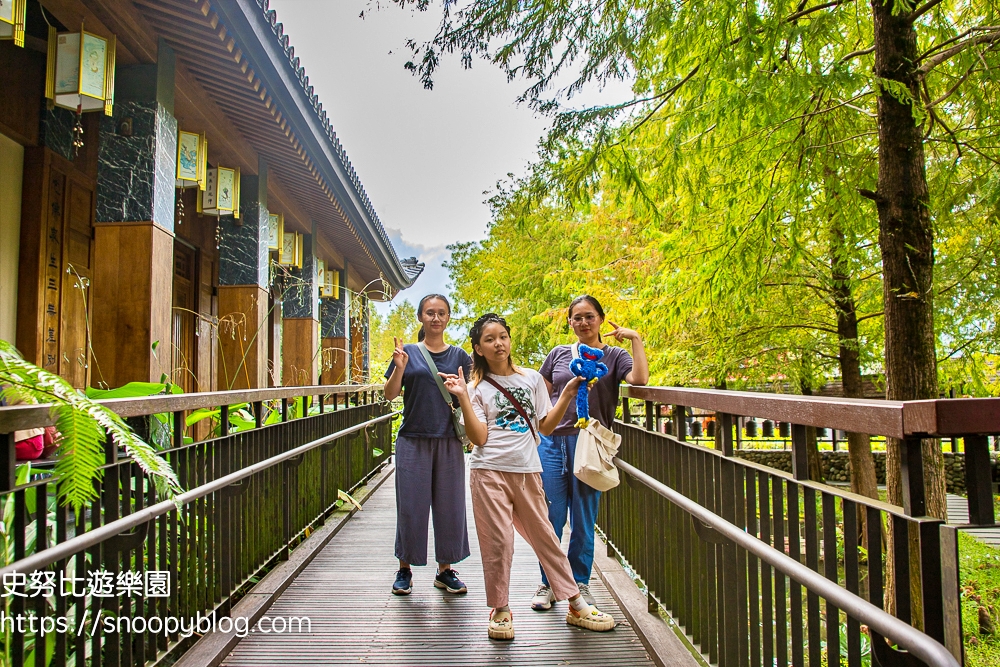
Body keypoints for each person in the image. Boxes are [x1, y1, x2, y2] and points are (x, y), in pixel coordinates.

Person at [439, 313, 616, 640]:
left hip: (526, 470)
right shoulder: (475, 388)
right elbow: (478, 438)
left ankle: (575, 603)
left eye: (502, 336)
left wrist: (568, 391)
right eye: (489, 339)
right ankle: (501, 608)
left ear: (510, 339)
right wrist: (462, 397)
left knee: (546, 537)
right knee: (498, 543)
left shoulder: (532, 379)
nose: (498, 344)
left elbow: (545, 426)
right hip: (488, 471)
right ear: (478, 348)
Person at [532, 295, 649, 610]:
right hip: (553, 443)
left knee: (583, 519)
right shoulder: (558, 354)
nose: (583, 323)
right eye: (577, 318)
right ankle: (548, 583)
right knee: (551, 517)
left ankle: (579, 583)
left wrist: (635, 338)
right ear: (570, 322)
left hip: (591, 445)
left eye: (589, 316)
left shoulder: (613, 355)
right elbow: (541, 396)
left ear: (600, 319)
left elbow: (639, 379)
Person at [383, 294, 472, 596]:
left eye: (441, 313)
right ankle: (404, 569)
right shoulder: (407, 352)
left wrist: (460, 392)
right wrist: (398, 367)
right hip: (413, 440)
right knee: (411, 506)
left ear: (449, 318)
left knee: (451, 507)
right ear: (421, 317)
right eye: (430, 313)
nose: (436, 318)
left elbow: (470, 397)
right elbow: (389, 394)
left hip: (448, 440)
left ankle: (445, 571)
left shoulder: (460, 356)